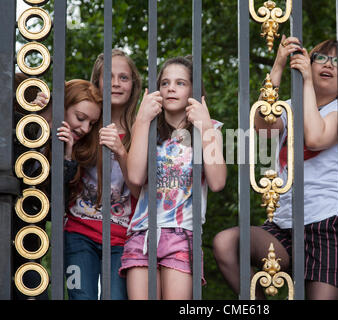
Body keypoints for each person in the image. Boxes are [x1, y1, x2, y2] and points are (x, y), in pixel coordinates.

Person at [213, 36, 338, 300]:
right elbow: (262, 128)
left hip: (328, 224)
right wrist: (279, 65)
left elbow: (316, 138)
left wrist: (305, 83)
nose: (330, 64)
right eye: (322, 58)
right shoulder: (289, 107)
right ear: (308, 62)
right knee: (227, 244)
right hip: (284, 224)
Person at [119, 55, 227, 300]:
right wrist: (142, 119)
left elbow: (218, 182)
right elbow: (135, 177)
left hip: (182, 234)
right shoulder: (146, 128)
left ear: (193, 90)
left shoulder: (210, 129)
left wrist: (205, 129)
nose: (170, 88)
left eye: (180, 83)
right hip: (142, 234)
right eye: (165, 83)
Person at [12, 76, 102, 300]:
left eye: (90, 124)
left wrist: (66, 158)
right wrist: (35, 124)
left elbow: (53, 210)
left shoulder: (70, 155)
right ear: (61, 105)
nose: (84, 128)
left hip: (27, 251)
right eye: (80, 118)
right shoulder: (20, 122)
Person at [64, 49, 142, 300]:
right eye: (108, 77)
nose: (116, 83)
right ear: (96, 81)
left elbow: (143, 191)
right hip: (79, 231)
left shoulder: (143, 130)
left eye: (124, 77)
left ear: (133, 85)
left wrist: (121, 150)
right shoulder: (85, 121)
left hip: (122, 239)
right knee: (82, 297)